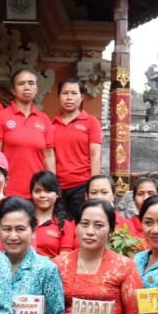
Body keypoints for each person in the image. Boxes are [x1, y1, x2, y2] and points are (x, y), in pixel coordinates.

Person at [0, 68, 55, 199]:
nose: (27, 87)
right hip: (8, 191)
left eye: (31, 83)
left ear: (36, 89)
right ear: (13, 90)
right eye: (21, 84)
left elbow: (49, 156)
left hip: (38, 192)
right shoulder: (1, 117)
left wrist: (53, 186)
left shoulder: (44, 119)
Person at [51, 78, 102, 220]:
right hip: (58, 187)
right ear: (59, 97)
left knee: (81, 225)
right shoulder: (51, 124)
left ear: (81, 97)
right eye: (65, 93)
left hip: (82, 185)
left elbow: (95, 155)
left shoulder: (91, 122)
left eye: (74, 93)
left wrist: (94, 187)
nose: (69, 97)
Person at [30, 171, 76, 258]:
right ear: (31, 194)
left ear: (58, 194)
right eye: (37, 191)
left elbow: (64, 258)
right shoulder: (23, 219)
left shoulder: (66, 224)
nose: (42, 195)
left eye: (48, 191)